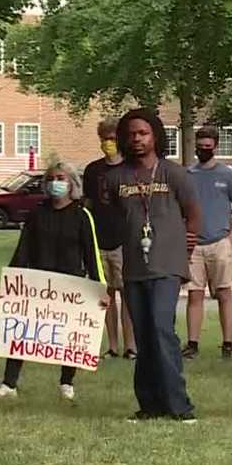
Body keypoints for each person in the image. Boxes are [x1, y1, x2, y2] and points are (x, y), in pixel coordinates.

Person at [105, 108, 201, 423]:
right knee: (143, 337)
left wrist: (184, 253)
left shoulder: (174, 174)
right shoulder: (117, 178)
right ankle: (149, 405)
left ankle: (179, 406)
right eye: (131, 134)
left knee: (162, 330)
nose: (137, 139)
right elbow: (113, 220)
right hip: (134, 267)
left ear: (155, 136)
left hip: (167, 266)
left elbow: (193, 215)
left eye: (143, 133)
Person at [0, 163, 105, 402]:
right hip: (37, 284)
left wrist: (100, 287)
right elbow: (23, 250)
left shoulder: (82, 215)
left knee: (71, 335)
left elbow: (92, 255)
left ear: (72, 183)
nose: (56, 182)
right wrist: (8, 285)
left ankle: (66, 383)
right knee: (21, 331)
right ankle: (9, 384)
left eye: (61, 177)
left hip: (71, 285)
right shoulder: (37, 214)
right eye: (52, 178)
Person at [183, 126, 232, 361]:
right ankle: (192, 343)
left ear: (215, 147)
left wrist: (231, 238)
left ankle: (227, 343)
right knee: (194, 295)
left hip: (220, 242)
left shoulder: (228, 175)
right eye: (200, 147)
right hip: (194, 245)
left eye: (208, 147)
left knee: (224, 293)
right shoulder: (188, 174)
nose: (203, 150)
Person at [84, 118, 136, 361]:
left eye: (113, 138)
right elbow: (88, 205)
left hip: (125, 241)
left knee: (127, 293)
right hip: (99, 241)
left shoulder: (131, 169)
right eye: (104, 139)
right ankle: (112, 346)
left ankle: (131, 345)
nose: (108, 143)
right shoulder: (93, 170)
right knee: (106, 295)